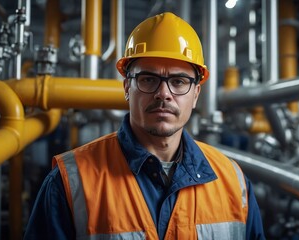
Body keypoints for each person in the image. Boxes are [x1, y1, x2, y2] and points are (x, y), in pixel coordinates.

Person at [24, 12, 265, 239]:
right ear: (127, 87)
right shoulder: (70, 182)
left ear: (196, 94)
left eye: (179, 81)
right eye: (148, 79)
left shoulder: (233, 183)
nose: (164, 94)